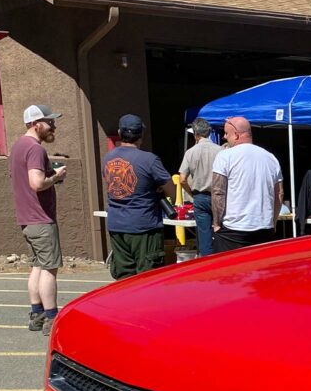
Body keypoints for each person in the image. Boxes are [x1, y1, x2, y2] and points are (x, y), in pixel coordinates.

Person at [9, 104, 66, 335]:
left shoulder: (17, 147)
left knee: (37, 266)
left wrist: (48, 176)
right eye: (49, 122)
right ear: (36, 124)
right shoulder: (35, 149)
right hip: (40, 218)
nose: (53, 125)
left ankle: (36, 314)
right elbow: (36, 183)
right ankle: (52, 318)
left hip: (26, 218)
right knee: (49, 269)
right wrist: (56, 176)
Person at [102, 114, 174, 279]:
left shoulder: (108, 158)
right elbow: (171, 188)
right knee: (148, 277)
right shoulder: (149, 159)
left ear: (120, 133)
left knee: (124, 277)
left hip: (117, 225)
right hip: (144, 225)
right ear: (141, 133)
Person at [211, 116, 283, 253]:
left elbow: (218, 192)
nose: (224, 137)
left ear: (236, 135)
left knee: (230, 273)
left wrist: (216, 223)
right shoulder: (270, 158)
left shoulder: (225, 156)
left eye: (227, 133)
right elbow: (279, 194)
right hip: (264, 229)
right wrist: (272, 223)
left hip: (233, 230)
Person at [178, 117, 222, 256]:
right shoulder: (221, 150)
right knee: (223, 231)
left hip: (200, 197)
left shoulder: (190, 152)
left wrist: (191, 193)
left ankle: (208, 265)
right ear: (209, 132)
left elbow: (182, 179)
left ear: (196, 134)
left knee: (204, 237)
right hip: (219, 195)